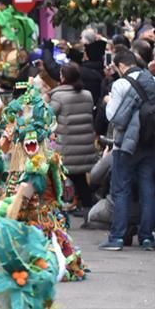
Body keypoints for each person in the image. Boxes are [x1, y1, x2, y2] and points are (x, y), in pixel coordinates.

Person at [99, 49, 155, 251]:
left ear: (121, 65)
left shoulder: (121, 84)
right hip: (149, 143)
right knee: (148, 189)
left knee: (121, 189)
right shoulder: (151, 80)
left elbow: (112, 116)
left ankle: (117, 237)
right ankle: (147, 236)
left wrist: (107, 102)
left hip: (126, 146)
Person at [49, 63, 99, 215]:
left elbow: (49, 114)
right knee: (79, 178)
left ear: (63, 77)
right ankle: (86, 205)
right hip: (84, 145)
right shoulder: (87, 95)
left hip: (67, 146)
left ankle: (65, 204)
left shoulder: (58, 96)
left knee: (62, 176)